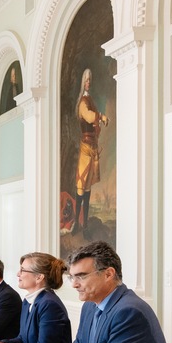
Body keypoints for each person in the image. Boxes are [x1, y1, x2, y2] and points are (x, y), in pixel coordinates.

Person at [74, 68, 110, 233]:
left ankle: (85, 225)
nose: (89, 82)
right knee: (81, 185)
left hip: (92, 146)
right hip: (86, 148)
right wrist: (101, 116)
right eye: (86, 80)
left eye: (90, 80)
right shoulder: (83, 102)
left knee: (88, 187)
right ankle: (76, 223)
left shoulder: (90, 100)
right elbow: (89, 116)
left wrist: (99, 118)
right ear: (83, 82)